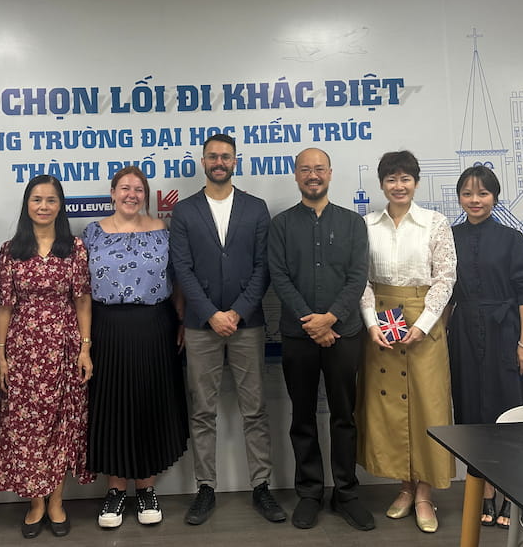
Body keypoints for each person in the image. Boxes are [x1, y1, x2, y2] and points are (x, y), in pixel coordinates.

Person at [170, 133, 286, 526]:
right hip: (201, 326)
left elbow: (264, 267)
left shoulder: (256, 208)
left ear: (235, 161)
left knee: (255, 409)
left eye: (226, 156)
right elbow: (182, 269)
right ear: (203, 161)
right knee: (203, 411)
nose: (219, 162)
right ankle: (205, 487)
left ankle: (261, 486)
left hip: (247, 324)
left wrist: (236, 312)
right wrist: (211, 314)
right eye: (213, 156)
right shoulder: (185, 211)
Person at [267, 148, 374, 532]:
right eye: (305, 169)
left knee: (345, 416)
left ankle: (346, 493)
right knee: (302, 417)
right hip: (298, 336)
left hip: (344, 333)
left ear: (330, 173)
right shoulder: (281, 225)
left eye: (319, 169)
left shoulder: (352, 223)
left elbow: (358, 276)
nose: (312, 175)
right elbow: (279, 277)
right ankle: (310, 493)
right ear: (296, 176)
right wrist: (312, 323)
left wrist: (330, 319)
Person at [82, 166, 188, 529]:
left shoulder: (163, 231)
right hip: (107, 328)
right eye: (124, 188)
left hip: (155, 326)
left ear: (146, 195)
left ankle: (146, 489)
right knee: (112, 405)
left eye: (138, 189)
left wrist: (181, 319)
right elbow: (81, 289)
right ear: (112, 193)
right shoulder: (92, 234)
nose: (131, 195)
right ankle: (115, 491)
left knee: (149, 404)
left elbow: (177, 280)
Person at [357, 150, 456, 534]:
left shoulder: (435, 223)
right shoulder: (367, 225)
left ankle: (425, 493)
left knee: (427, 406)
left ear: (415, 182)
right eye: (391, 179)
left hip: (424, 323)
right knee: (390, 409)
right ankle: (403, 486)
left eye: (405, 179)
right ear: (382, 184)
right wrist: (371, 323)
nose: (399, 186)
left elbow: (445, 277)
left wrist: (425, 323)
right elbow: (361, 279)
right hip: (382, 323)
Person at [0, 175, 93, 539]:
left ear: (60, 205)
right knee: (28, 428)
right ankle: (36, 502)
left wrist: (85, 347)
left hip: (65, 348)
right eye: (37, 199)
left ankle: (57, 502)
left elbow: (82, 300)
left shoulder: (75, 248)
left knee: (63, 426)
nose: (44, 206)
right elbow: (3, 306)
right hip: (23, 351)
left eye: (51, 200)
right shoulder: (10, 250)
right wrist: (1, 354)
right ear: (27, 204)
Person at [448, 166, 523, 530]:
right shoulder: (449, 236)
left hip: (506, 334)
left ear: (495, 197)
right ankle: (484, 491)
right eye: (468, 193)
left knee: (510, 413)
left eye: (483, 193)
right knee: (472, 414)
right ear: (459, 197)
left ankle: (511, 494)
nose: (475, 200)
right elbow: (445, 292)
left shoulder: (511, 238)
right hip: (464, 334)